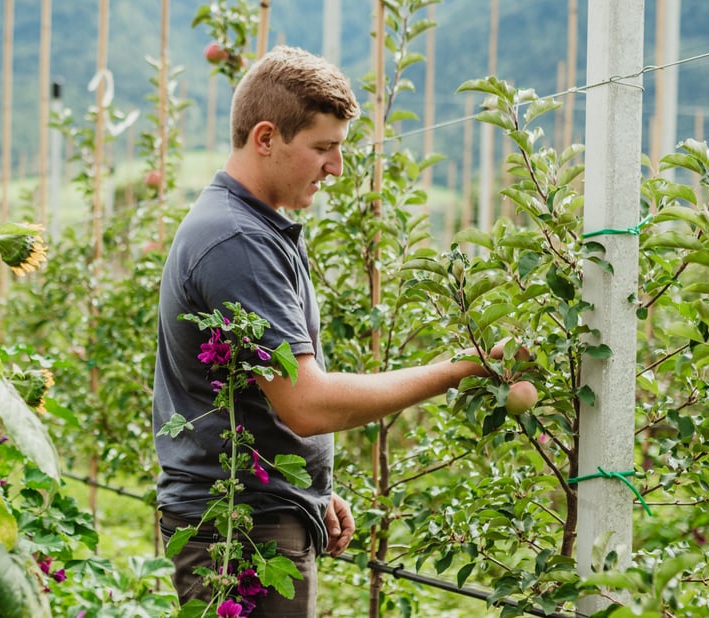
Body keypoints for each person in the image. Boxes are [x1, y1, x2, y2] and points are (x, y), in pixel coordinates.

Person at [151, 46, 497, 614]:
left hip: (256, 514)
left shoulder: (251, 227)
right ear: (266, 138)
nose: (336, 167)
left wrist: (307, 489)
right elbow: (306, 403)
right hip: (241, 535)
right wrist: (459, 370)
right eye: (323, 148)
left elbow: (260, 391)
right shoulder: (239, 242)